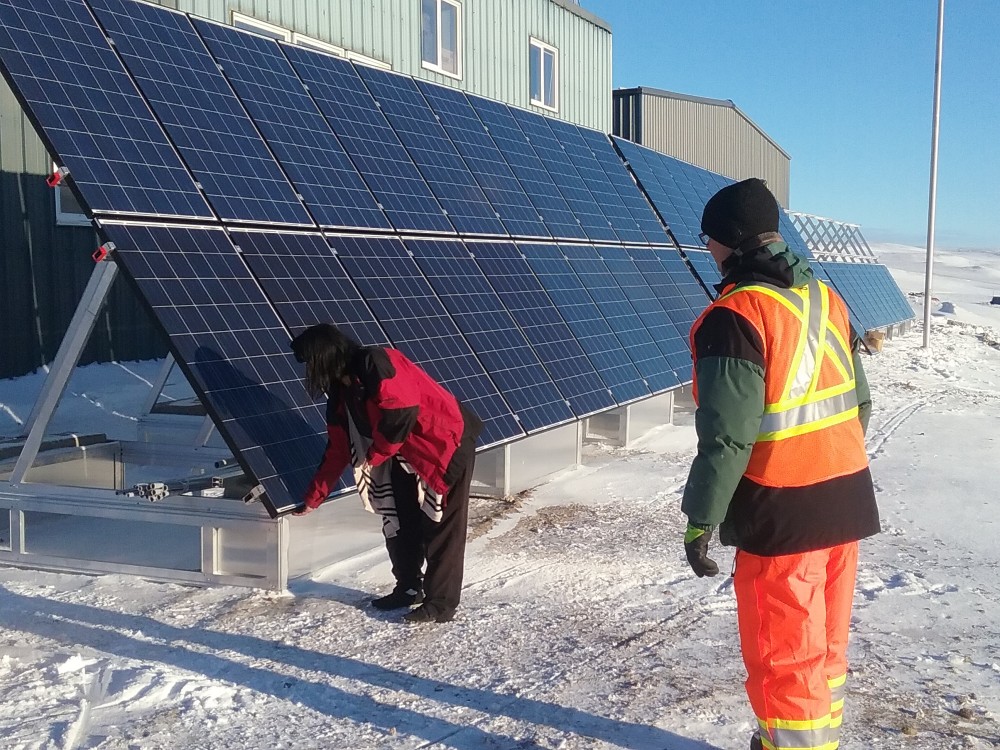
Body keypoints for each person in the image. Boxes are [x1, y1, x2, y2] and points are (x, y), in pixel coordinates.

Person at [680, 179, 880, 750]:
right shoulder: (824, 297)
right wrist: (829, 463)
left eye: (710, 240)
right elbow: (859, 403)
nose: (708, 250)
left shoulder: (736, 314)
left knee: (785, 655)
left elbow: (727, 434)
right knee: (823, 644)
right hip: (844, 499)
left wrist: (701, 517)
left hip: (783, 513)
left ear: (728, 242)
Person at [290, 323, 482, 625]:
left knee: (441, 526)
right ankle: (407, 587)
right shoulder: (341, 394)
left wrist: (377, 454)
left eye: (310, 363)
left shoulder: (376, 361)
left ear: (323, 356)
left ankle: (440, 604)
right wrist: (314, 497)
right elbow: (338, 449)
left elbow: (401, 410)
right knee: (400, 520)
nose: (309, 372)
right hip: (401, 454)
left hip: (444, 445)